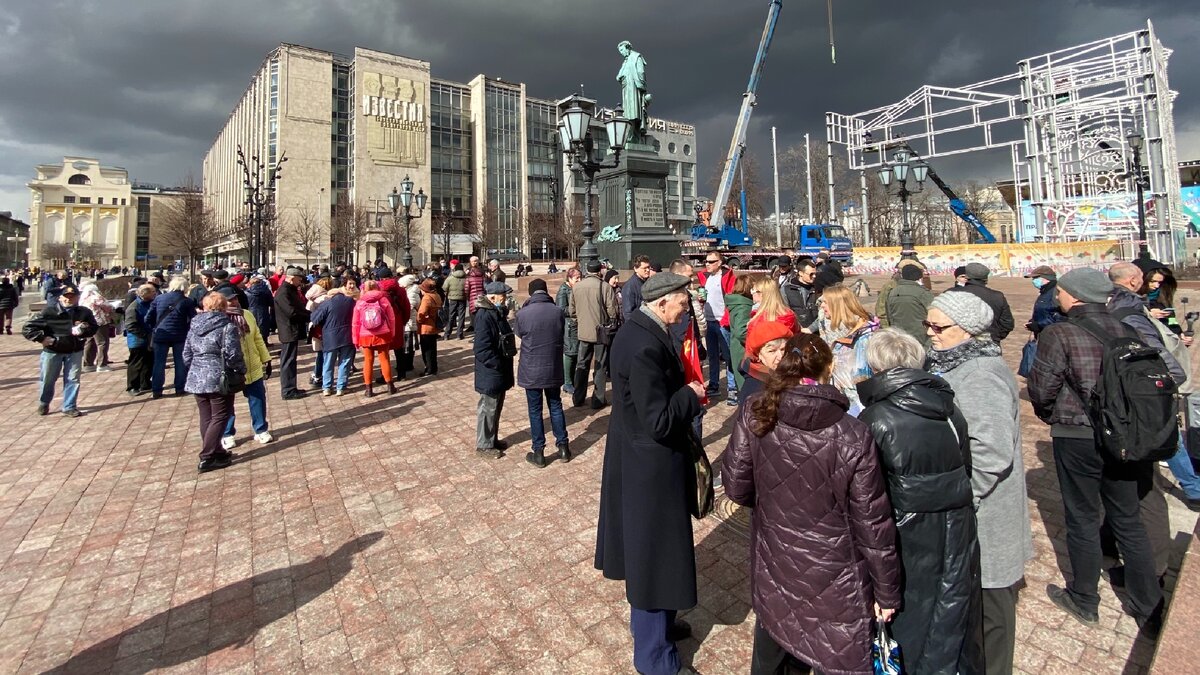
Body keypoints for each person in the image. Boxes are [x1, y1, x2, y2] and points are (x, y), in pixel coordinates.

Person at [722, 333, 900, 674]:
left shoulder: (757, 410)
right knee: (823, 651)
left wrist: (773, 506)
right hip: (833, 571)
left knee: (774, 645)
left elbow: (736, 486)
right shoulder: (853, 434)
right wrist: (887, 592)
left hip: (776, 556)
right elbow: (872, 523)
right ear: (828, 369)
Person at [594, 272, 706, 675]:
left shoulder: (643, 329)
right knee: (654, 556)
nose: (686, 310)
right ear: (661, 303)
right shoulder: (643, 344)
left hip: (642, 459)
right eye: (682, 304)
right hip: (650, 467)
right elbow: (658, 420)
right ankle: (654, 658)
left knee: (659, 555)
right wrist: (690, 395)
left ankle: (660, 625)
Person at [857, 328, 982, 674]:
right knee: (949, 613)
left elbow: (868, 493)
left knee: (911, 621)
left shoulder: (875, 419)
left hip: (905, 533)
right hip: (955, 526)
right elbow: (965, 466)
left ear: (876, 368)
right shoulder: (949, 409)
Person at [927, 291, 1032, 673]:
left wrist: (961, 497)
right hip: (972, 507)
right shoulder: (955, 363)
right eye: (928, 324)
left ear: (968, 330)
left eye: (939, 327)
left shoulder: (982, 375)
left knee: (991, 611)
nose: (930, 333)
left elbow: (991, 454)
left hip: (986, 511)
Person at [183, 293, 246, 473]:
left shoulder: (194, 326)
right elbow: (233, 354)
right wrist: (241, 369)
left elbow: (186, 354)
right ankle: (207, 456)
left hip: (197, 376)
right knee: (220, 415)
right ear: (224, 307)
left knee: (206, 416)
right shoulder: (227, 327)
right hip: (218, 376)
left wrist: (196, 368)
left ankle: (216, 450)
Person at [515, 278, 570, 467]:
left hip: (531, 368)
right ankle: (563, 446)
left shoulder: (523, 313)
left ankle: (538, 451)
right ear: (546, 292)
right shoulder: (557, 311)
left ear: (531, 293)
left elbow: (519, 333)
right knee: (556, 405)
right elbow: (561, 331)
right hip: (552, 366)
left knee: (535, 410)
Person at [23, 284, 98, 417]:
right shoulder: (49, 312)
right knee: (48, 379)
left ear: (78, 297)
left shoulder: (84, 312)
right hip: (53, 351)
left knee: (73, 379)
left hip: (74, 350)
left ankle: (69, 406)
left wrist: (84, 330)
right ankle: (44, 402)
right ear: (60, 298)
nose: (69, 299)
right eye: (66, 296)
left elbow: (93, 328)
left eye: (72, 296)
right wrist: (42, 338)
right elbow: (28, 328)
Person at [214, 287, 273, 448]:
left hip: (252, 364)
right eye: (230, 300)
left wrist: (265, 358)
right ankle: (227, 433)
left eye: (235, 298)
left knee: (257, 398)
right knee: (227, 402)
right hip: (230, 368)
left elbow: (257, 337)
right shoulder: (219, 320)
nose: (234, 302)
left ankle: (261, 429)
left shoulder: (247, 314)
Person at [814, 284, 878, 415]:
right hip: (837, 398)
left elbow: (865, 375)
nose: (822, 306)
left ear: (837, 304)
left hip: (858, 404)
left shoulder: (864, 336)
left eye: (825, 302)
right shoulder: (830, 328)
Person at [569, 260, 619, 409]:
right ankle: (598, 399)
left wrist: (580, 322)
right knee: (600, 365)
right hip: (600, 333)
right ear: (600, 271)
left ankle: (578, 397)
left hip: (583, 332)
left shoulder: (577, 287)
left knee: (581, 364)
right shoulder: (605, 287)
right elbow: (612, 311)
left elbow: (572, 311)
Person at [474, 281, 516, 457]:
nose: (505, 299)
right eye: (502, 297)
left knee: (496, 407)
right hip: (491, 371)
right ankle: (484, 445)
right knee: (488, 408)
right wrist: (496, 364)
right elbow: (481, 349)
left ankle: (492, 439)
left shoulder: (496, 313)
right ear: (492, 298)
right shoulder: (485, 316)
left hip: (499, 369)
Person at [145, 277, 197, 399]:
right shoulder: (187, 301)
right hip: (180, 334)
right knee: (180, 362)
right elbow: (193, 319)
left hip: (161, 334)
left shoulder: (159, 298)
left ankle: (157, 390)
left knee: (159, 363)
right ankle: (180, 388)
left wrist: (155, 327)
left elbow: (148, 317)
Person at [945, 262, 1015, 345]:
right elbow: (1007, 324)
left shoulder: (951, 293)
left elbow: (941, 320)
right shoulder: (997, 296)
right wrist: (995, 337)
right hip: (989, 343)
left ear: (967, 277)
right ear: (986, 279)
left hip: (958, 343)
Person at [698, 253, 737, 400]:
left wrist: (726, 320)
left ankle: (732, 388)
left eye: (711, 261)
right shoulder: (705, 277)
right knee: (712, 355)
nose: (707, 264)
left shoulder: (727, 277)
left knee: (728, 356)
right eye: (706, 261)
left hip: (722, 321)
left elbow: (731, 299)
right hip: (709, 321)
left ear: (719, 262)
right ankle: (714, 384)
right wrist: (701, 301)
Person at [310, 282, 356, 397]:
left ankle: (327, 387)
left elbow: (315, 319)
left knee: (328, 363)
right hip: (347, 335)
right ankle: (341, 387)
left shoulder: (326, 303)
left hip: (330, 337)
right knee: (345, 362)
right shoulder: (350, 301)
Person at [352, 280, 397, 397]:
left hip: (365, 335)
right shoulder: (383, 300)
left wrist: (355, 339)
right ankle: (390, 386)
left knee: (368, 360)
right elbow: (392, 318)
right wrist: (392, 333)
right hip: (383, 334)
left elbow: (355, 323)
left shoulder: (360, 302)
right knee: (384, 359)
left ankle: (368, 389)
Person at [274, 267, 311, 400]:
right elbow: (291, 312)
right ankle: (288, 390)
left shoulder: (290, 290)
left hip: (291, 329)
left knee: (291, 360)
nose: (300, 282)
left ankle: (291, 387)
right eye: (298, 280)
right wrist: (308, 316)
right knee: (288, 361)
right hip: (288, 330)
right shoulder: (283, 292)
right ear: (292, 278)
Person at [740, 320, 792, 400]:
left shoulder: (790, 373)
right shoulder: (755, 391)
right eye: (772, 351)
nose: (780, 356)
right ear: (758, 354)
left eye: (783, 349)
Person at [884, 263, 933, 346]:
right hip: (921, 338)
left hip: (899, 337)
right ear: (919, 276)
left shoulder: (892, 292)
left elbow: (889, 316)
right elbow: (934, 314)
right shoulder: (923, 293)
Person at [724, 274, 755, 398]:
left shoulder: (736, 303)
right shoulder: (744, 306)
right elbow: (741, 331)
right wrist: (757, 341)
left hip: (737, 347)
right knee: (746, 388)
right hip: (743, 349)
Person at [124, 283, 157, 396]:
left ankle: (145, 383)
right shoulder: (134, 307)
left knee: (149, 361)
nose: (155, 294)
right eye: (152, 292)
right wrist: (145, 335)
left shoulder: (150, 303)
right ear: (145, 293)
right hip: (137, 340)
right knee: (136, 363)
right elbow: (130, 325)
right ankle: (132, 386)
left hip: (149, 338)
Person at [875, 259, 924, 328]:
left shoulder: (916, 286)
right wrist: (887, 328)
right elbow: (881, 311)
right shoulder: (891, 286)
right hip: (896, 327)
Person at [556, 268, 582, 397]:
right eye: (577, 278)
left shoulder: (577, 289)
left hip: (577, 324)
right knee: (570, 353)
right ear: (569, 278)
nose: (579, 280)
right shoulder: (563, 290)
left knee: (576, 353)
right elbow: (561, 309)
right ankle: (567, 382)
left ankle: (572, 380)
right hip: (569, 326)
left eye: (580, 277)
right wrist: (576, 309)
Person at [79, 283, 116, 372]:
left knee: (90, 342)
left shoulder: (83, 299)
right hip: (100, 322)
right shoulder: (96, 297)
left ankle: (88, 364)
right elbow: (107, 306)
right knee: (102, 342)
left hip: (88, 323)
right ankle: (102, 364)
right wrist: (114, 306)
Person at [1024, 265, 1066, 335]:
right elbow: (1044, 311)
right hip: (1043, 334)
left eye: (1035, 278)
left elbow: (1060, 316)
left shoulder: (1056, 293)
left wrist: (1039, 325)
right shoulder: (1045, 291)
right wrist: (1033, 322)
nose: (1033, 280)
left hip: (1052, 335)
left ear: (1046, 278)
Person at [781, 257, 819, 329]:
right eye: (811, 274)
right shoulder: (786, 290)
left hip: (815, 331)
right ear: (801, 273)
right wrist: (798, 328)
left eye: (815, 274)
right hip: (795, 331)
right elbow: (785, 313)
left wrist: (812, 329)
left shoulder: (818, 289)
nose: (814, 276)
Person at [416, 277, 442, 376]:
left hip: (426, 326)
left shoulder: (427, 298)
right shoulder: (437, 295)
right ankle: (434, 367)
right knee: (433, 348)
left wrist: (419, 320)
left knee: (426, 349)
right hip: (434, 324)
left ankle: (429, 368)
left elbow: (422, 313)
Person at [245, 275, 275, 340]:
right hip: (263, 310)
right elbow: (271, 302)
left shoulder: (247, 292)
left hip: (251, 311)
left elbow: (245, 303)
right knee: (264, 327)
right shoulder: (266, 291)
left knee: (253, 326)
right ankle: (265, 341)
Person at [443, 262, 468, 339]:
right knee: (461, 316)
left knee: (451, 316)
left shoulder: (450, 278)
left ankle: (447, 334)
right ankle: (459, 334)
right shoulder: (466, 278)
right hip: (462, 298)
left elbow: (444, 288)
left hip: (452, 299)